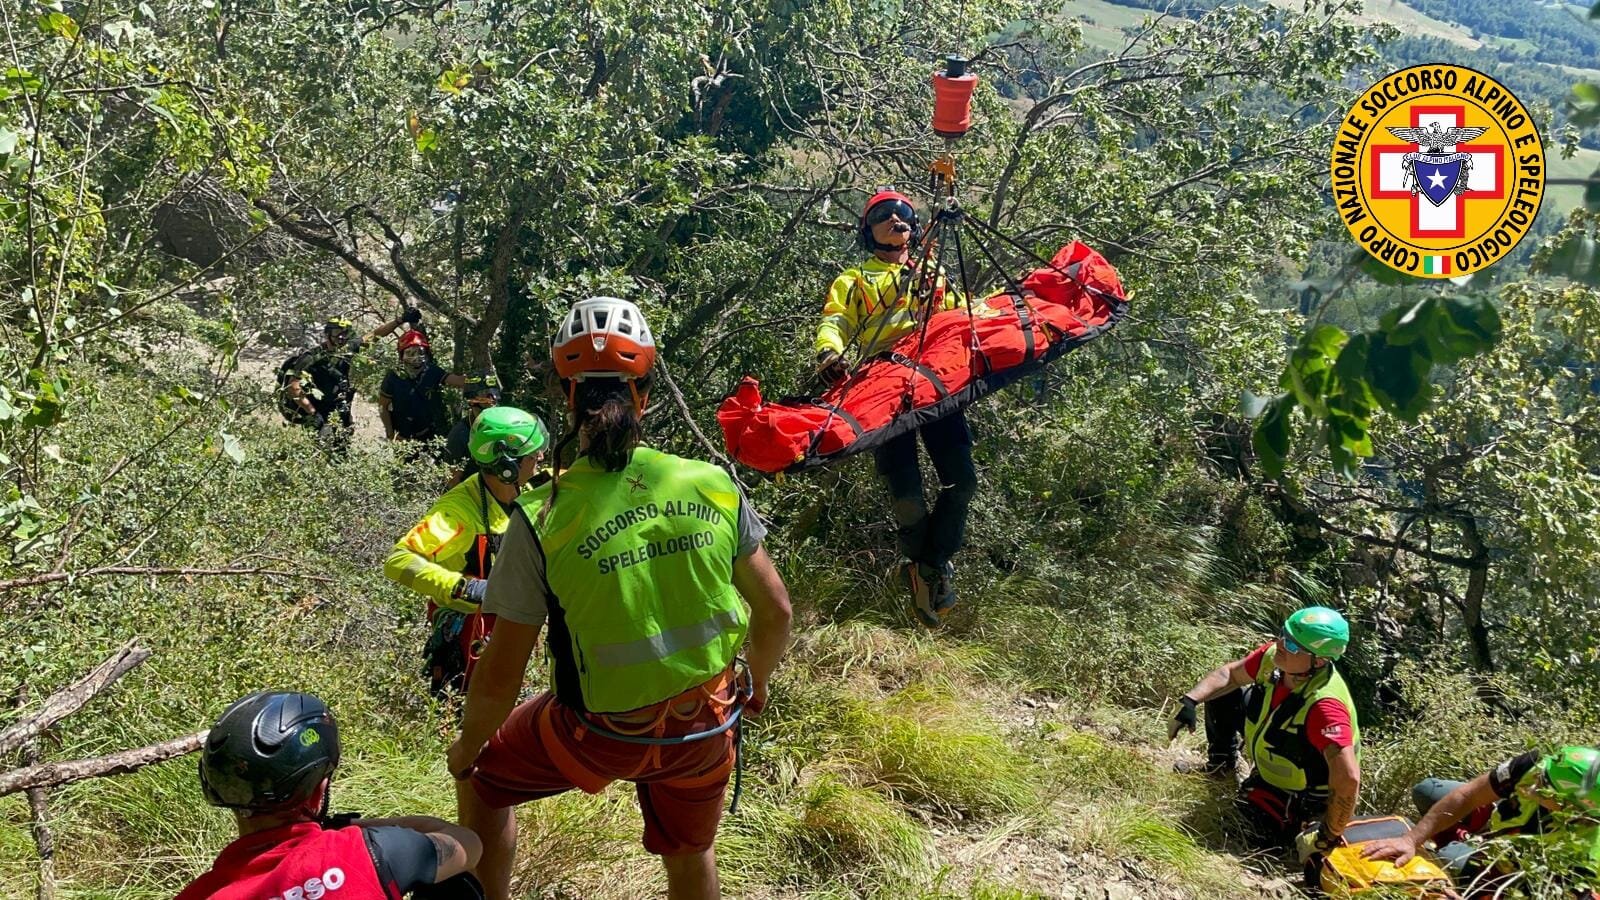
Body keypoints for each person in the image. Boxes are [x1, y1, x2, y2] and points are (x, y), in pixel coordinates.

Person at [448, 296, 793, 900]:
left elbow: (502, 670)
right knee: (693, 851)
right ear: (646, 394)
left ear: (565, 397)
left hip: (600, 733)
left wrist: (468, 747)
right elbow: (776, 612)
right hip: (706, 727)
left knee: (480, 784)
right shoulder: (710, 483)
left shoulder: (541, 516)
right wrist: (756, 684)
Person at [813, 188, 973, 627]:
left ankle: (931, 567)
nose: (896, 219)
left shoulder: (933, 273)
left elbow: (962, 314)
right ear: (869, 231)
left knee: (961, 482)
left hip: (936, 381)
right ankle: (922, 568)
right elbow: (836, 319)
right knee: (907, 498)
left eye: (902, 212)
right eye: (883, 215)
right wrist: (830, 353)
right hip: (884, 385)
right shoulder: (857, 279)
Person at [177, 691, 482, 899]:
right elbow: (469, 844)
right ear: (319, 790)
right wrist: (356, 828)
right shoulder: (364, 853)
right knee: (457, 884)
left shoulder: (198, 894)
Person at [384, 406, 549, 696]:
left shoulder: (528, 485)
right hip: (470, 636)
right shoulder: (457, 513)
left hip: (512, 625)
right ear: (507, 465)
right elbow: (399, 561)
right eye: (533, 453)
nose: (541, 456)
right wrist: (466, 587)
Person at [1168, 606, 1362, 850]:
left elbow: (1348, 778)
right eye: (1283, 634)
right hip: (1278, 752)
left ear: (1319, 660)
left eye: (1292, 645)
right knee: (1223, 692)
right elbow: (1230, 675)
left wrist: (1329, 834)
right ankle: (1221, 765)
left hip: (1300, 792)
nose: (1281, 644)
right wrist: (1190, 701)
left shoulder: (1324, 707)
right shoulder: (1275, 658)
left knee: (1240, 831)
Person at [1361, 746, 1600, 880]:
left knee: (1449, 858)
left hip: (1509, 864)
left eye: (1544, 787)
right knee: (1428, 790)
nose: (1534, 783)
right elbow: (1468, 795)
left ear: (1572, 809)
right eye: (1541, 776)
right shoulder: (1536, 764)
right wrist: (1410, 839)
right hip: (1497, 820)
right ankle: (1461, 835)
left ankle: (1458, 850)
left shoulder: (1584, 858)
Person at [278, 310, 417, 441]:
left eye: (345, 333)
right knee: (319, 450)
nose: (341, 336)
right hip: (318, 411)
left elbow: (374, 335)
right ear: (327, 334)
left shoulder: (348, 349)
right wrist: (313, 413)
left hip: (338, 409)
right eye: (337, 332)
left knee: (341, 449)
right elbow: (293, 387)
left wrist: (400, 320)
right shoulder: (311, 357)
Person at [379, 329, 468, 445]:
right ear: (402, 355)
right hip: (404, 437)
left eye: (420, 352)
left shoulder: (431, 371)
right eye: (411, 353)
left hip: (431, 434)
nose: (416, 357)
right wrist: (391, 434)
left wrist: (480, 378)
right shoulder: (393, 377)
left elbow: (458, 381)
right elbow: (383, 407)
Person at [443, 372, 503, 488]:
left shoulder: (504, 423)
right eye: (485, 397)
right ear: (472, 401)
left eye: (494, 394)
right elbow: (452, 481)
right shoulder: (459, 435)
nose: (492, 400)